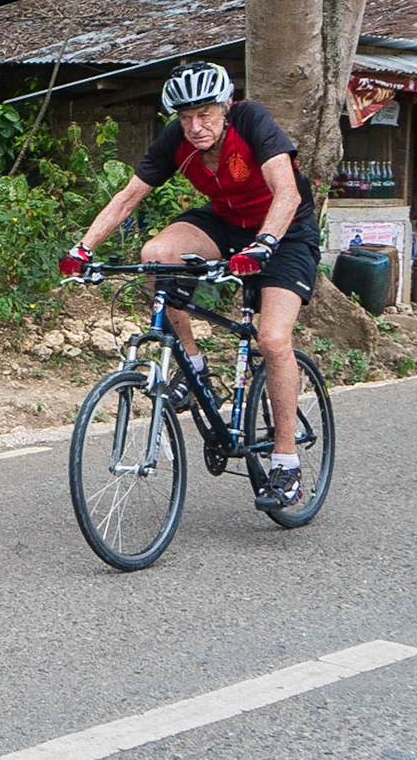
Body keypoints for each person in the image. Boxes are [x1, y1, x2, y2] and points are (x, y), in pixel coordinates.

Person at [58, 62, 319, 511]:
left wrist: (264, 244)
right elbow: (127, 197)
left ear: (225, 107)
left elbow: (287, 193)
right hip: (224, 223)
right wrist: (82, 249)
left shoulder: (252, 120)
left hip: (284, 232)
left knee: (273, 338)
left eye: (205, 115)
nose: (195, 127)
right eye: (185, 117)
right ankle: (193, 366)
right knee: (156, 256)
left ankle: (285, 463)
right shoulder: (175, 141)